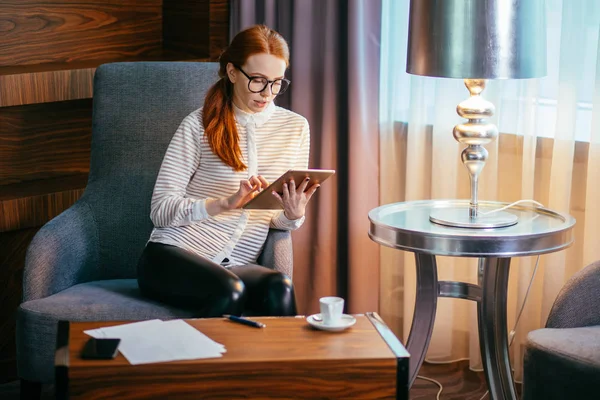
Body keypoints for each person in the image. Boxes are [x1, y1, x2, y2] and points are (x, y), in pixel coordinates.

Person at [136, 25, 319, 317]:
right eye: (258, 81)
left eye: (276, 83)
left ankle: (284, 364)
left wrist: (293, 215)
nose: (267, 94)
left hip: (234, 264)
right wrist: (225, 203)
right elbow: (160, 210)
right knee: (229, 291)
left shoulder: (295, 128)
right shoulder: (198, 125)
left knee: (279, 287)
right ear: (233, 72)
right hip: (171, 255)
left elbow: (275, 221)